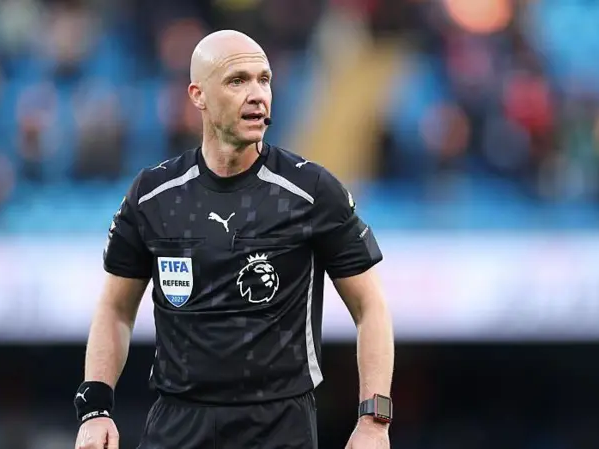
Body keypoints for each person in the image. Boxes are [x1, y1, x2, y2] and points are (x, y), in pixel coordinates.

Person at [73, 30, 394, 449]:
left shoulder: (310, 190)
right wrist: (96, 410)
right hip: (177, 424)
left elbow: (370, 308)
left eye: (265, 79)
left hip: (279, 425)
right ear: (198, 95)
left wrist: (374, 420)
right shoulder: (153, 195)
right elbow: (116, 309)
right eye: (238, 80)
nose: (258, 93)